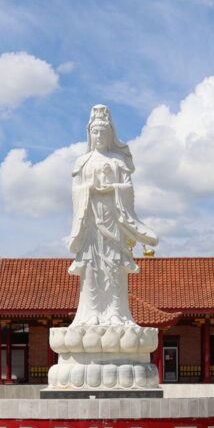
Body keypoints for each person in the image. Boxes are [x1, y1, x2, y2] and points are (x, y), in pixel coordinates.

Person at [68, 105, 158, 326]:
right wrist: (89, 189)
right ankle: (90, 313)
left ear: (110, 134)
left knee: (115, 266)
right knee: (91, 265)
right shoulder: (82, 162)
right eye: (95, 132)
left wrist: (113, 188)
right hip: (90, 222)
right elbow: (75, 191)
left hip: (114, 220)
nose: (99, 136)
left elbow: (128, 189)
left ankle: (116, 313)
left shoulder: (118, 161)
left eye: (103, 132)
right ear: (89, 134)